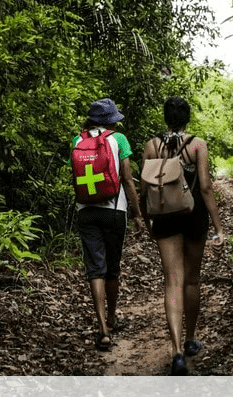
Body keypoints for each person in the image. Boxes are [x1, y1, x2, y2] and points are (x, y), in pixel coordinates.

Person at [140, 95, 224, 375]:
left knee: (171, 282)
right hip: (194, 214)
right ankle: (189, 340)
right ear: (187, 117)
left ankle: (175, 350)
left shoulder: (151, 146)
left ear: (165, 117)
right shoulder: (198, 145)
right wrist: (218, 226)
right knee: (192, 278)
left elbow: (145, 189)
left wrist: (147, 219)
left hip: (164, 215)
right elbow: (207, 187)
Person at [73, 98, 142, 351]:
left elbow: (76, 179)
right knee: (112, 268)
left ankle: (101, 328)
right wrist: (137, 213)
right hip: (115, 211)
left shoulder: (78, 141)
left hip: (86, 212)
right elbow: (127, 179)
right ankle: (112, 320)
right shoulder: (119, 140)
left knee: (95, 269)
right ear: (111, 120)